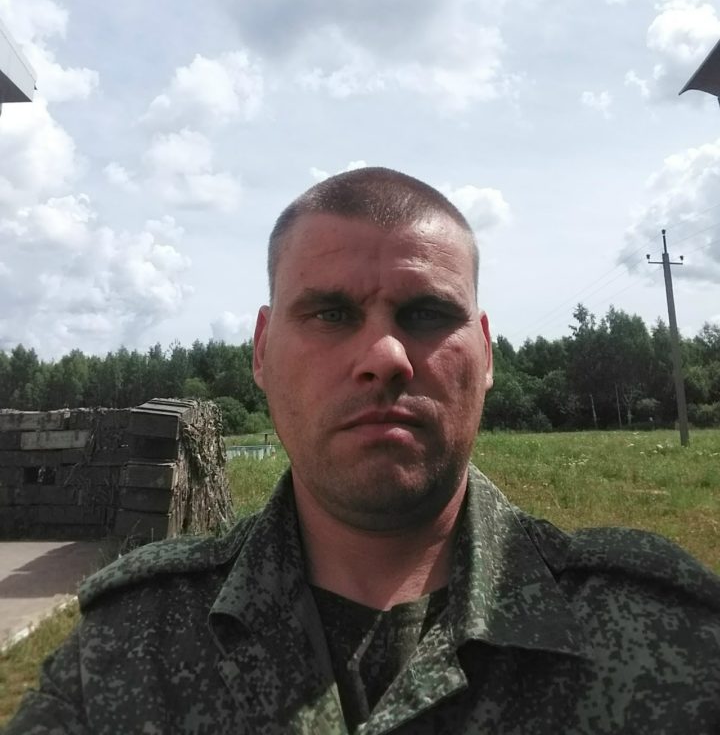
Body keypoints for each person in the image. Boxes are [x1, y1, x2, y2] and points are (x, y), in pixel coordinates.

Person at [7, 167, 720, 734]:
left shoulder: (669, 640)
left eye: (428, 314)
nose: (385, 357)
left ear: (486, 354)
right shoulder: (127, 650)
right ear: (261, 351)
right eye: (330, 313)